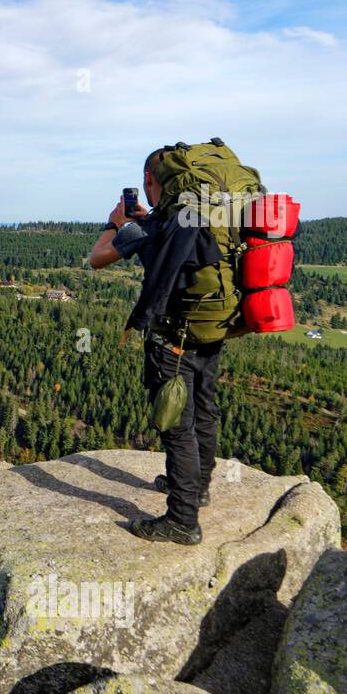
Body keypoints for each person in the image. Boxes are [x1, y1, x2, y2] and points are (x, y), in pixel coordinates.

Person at [88, 147, 229, 546]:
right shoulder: (199, 218)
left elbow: (98, 259)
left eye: (146, 182)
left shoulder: (160, 227)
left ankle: (183, 521)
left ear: (154, 179)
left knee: (176, 427)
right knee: (204, 410)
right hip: (210, 329)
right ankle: (197, 487)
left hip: (171, 340)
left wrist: (115, 223)